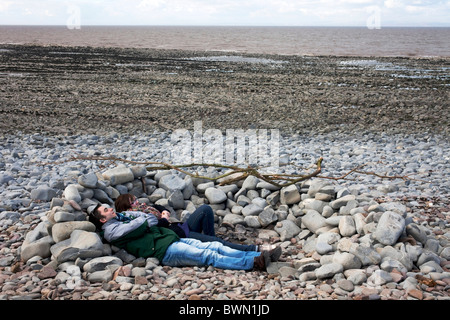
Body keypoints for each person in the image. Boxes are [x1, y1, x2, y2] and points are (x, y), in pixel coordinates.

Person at [87, 204, 275, 271]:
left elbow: (149, 219)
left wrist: (146, 220)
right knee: (208, 256)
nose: (111, 209)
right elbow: (142, 223)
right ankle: (253, 262)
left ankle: (256, 257)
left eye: (109, 206)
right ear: (103, 219)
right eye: (106, 210)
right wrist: (145, 221)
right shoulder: (111, 231)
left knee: (214, 248)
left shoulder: (123, 218)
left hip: (169, 238)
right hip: (163, 250)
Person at [114, 194, 280, 258]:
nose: (137, 202)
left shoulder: (144, 208)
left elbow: (159, 207)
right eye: (133, 201)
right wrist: (163, 220)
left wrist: (164, 212)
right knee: (216, 244)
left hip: (180, 226)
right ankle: (256, 250)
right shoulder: (134, 218)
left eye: (135, 199)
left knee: (205, 209)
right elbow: (153, 229)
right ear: (127, 207)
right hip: (177, 235)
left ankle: (211, 240)